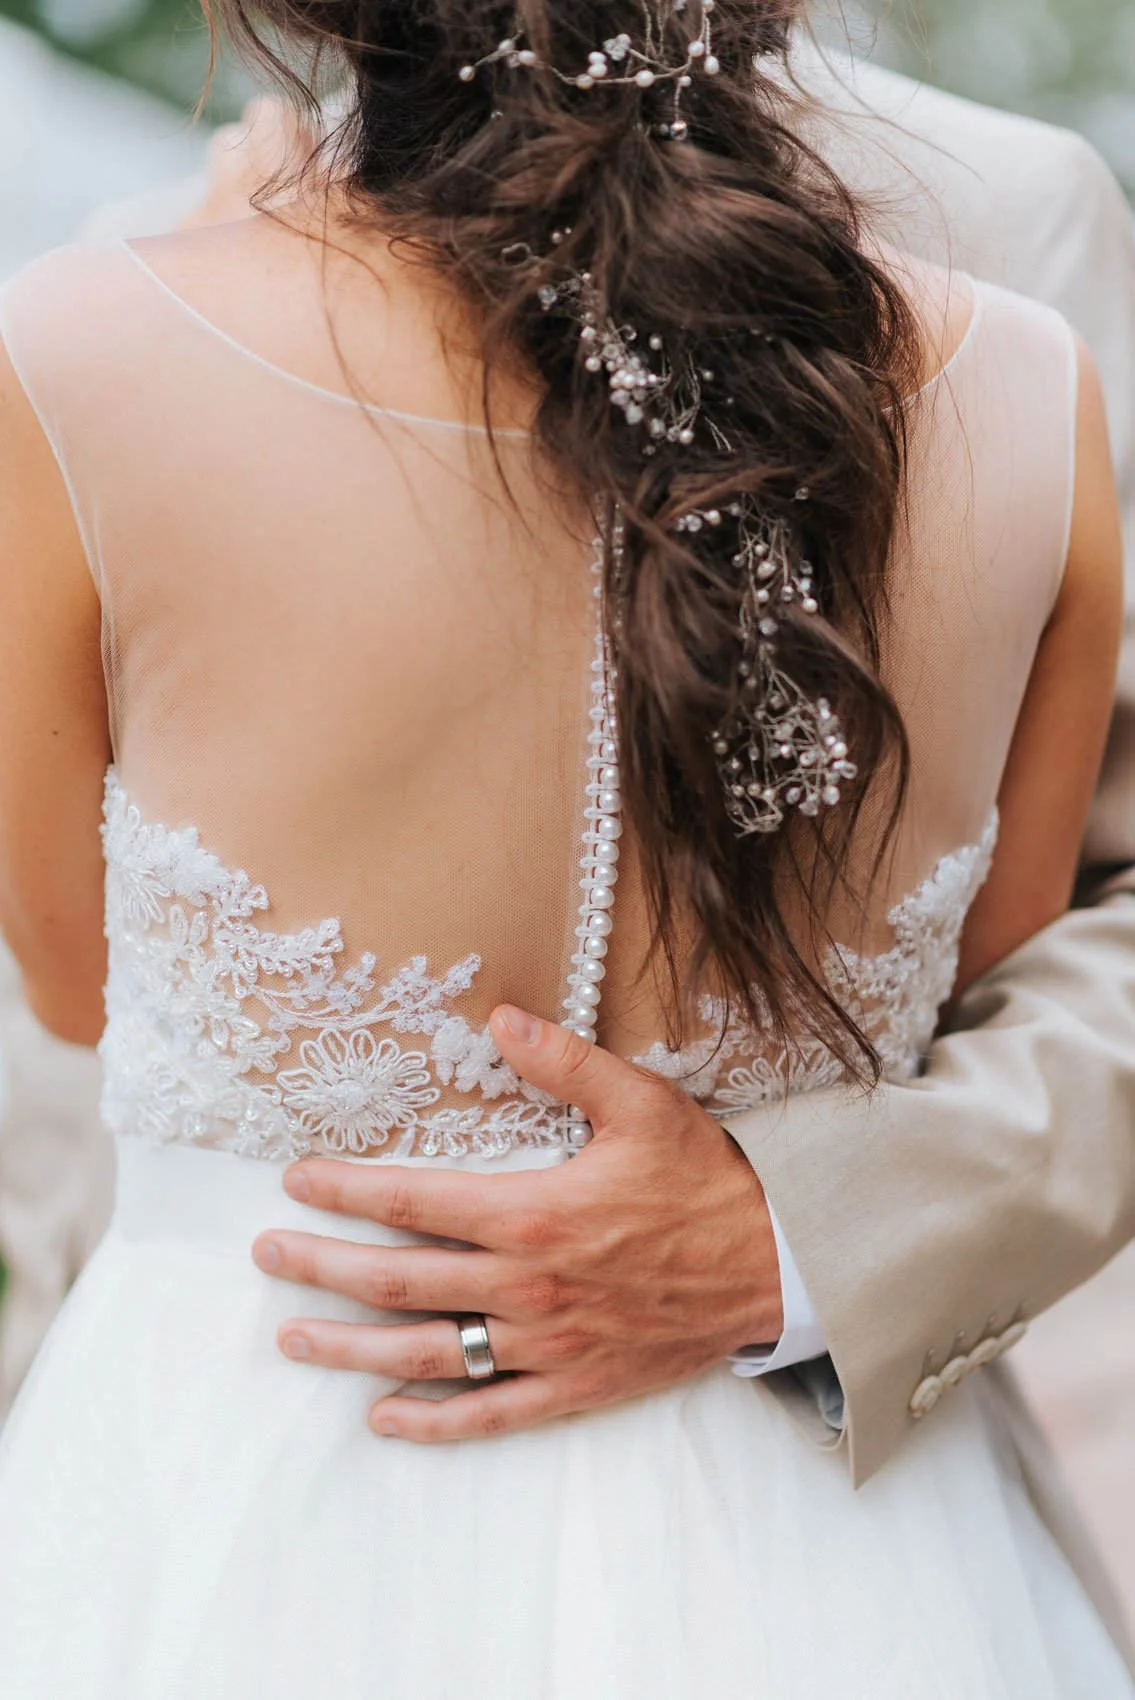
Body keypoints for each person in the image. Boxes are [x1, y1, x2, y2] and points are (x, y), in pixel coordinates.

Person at [0, 5, 1130, 1696]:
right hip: (850, 1571)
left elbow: (81, 989)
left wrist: (808, 1231)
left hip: (249, 1479)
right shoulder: (1027, 376)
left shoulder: (80, 342)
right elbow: (988, 942)